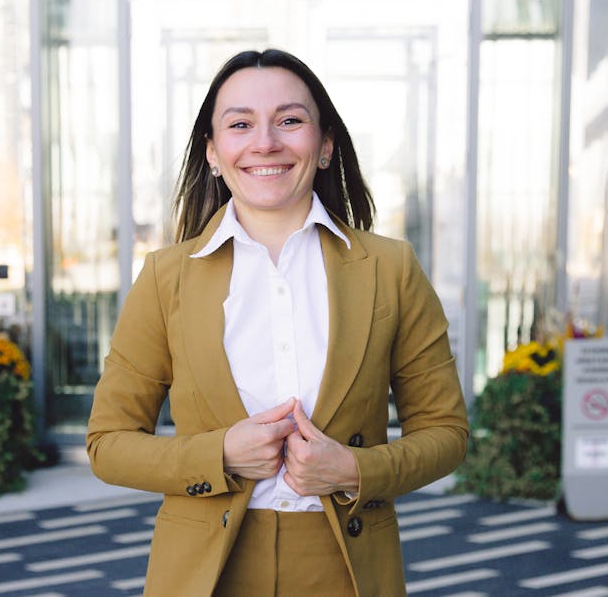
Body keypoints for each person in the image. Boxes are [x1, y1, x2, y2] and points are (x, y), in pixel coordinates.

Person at [87, 48, 468, 597]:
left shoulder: (392, 269)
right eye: (240, 124)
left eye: (290, 120)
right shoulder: (165, 278)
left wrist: (353, 470)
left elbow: (446, 433)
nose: (265, 142)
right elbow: (108, 442)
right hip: (206, 571)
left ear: (326, 145)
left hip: (347, 566)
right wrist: (218, 454)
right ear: (214, 153)